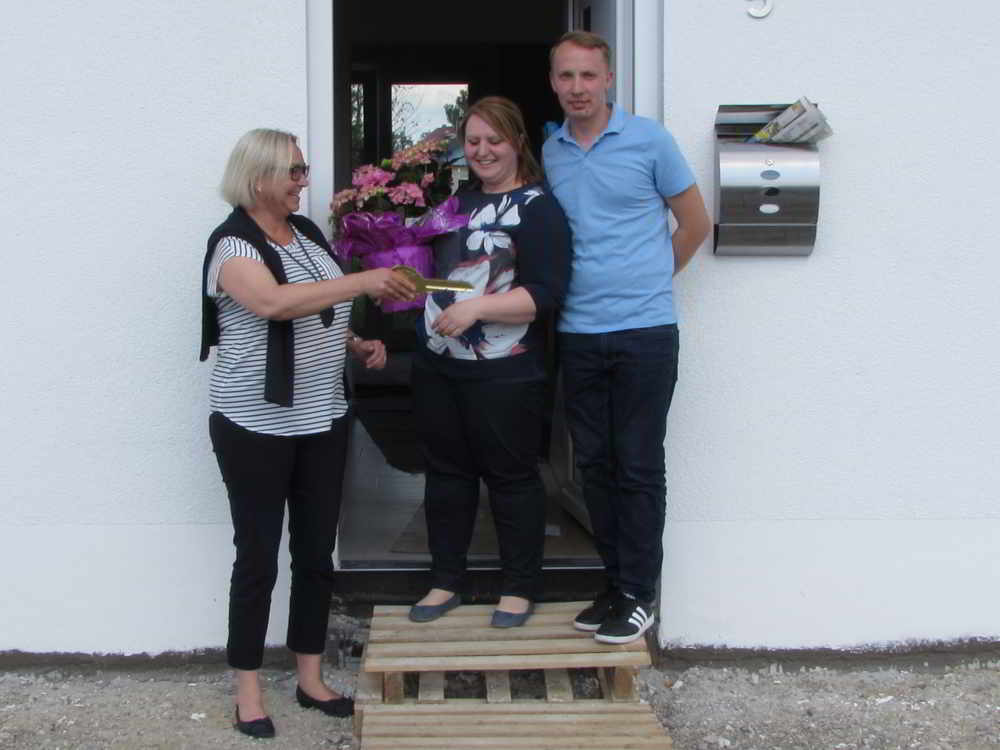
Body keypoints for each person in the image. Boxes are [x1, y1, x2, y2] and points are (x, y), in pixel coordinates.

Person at [200, 128, 416, 738]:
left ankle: (310, 676)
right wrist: (365, 280)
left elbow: (316, 310)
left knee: (316, 552)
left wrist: (356, 342)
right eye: (294, 171)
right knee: (258, 556)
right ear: (259, 177)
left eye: (303, 170)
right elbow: (273, 303)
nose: (303, 180)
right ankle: (248, 690)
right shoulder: (231, 246)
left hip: (321, 416)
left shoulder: (306, 234)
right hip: (254, 423)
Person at [543, 32, 711, 644]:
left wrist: (650, 278)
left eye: (588, 75)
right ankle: (615, 585)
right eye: (566, 76)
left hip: (644, 332)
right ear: (553, 82)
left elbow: (695, 223)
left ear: (608, 79)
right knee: (593, 467)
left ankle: (641, 593)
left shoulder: (649, 140)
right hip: (578, 332)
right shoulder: (552, 150)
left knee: (637, 466)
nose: (578, 88)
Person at [408, 96, 572, 628]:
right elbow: (432, 266)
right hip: (440, 363)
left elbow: (546, 293)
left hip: (506, 369)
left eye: (494, 140)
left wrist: (476, 308)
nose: (482, 151)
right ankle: (445, 580)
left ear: (517, 142)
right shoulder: (457, 203)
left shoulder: (538, 208)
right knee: (446, 475)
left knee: (511, 478)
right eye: (473, 141)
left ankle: (519, 587)